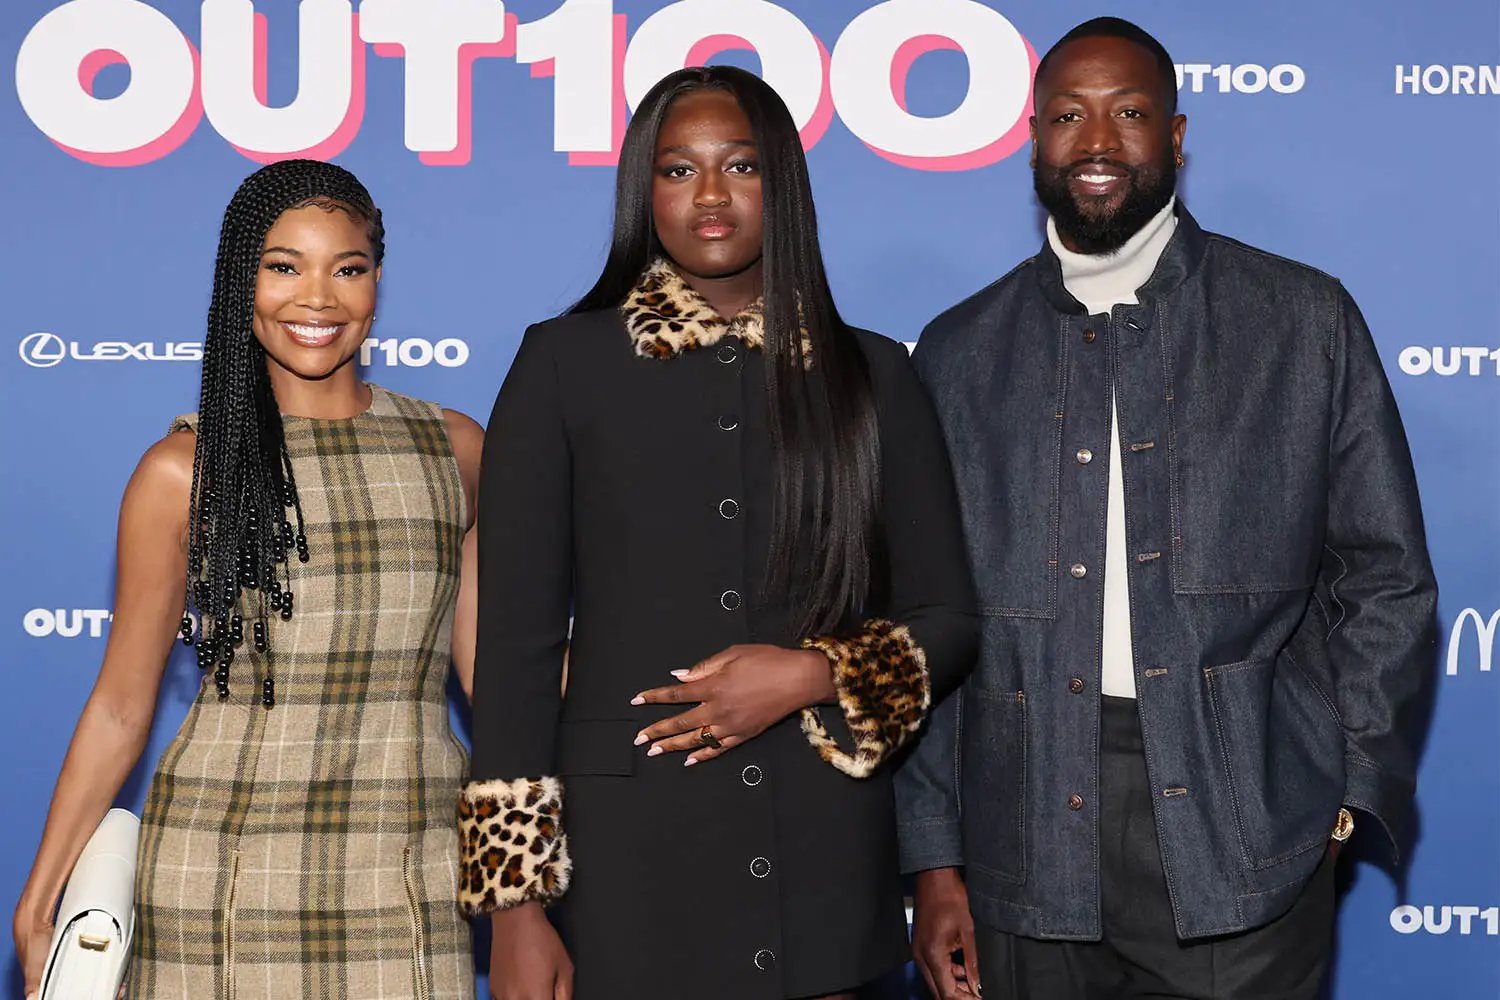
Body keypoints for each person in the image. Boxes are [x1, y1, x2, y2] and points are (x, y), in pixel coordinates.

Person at [897, 17, 1437, 1000]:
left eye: (1130, 114)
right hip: (1022, 842)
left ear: (1178, 137)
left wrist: (1342, 792)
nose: (1097, 144)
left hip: (1244, 834)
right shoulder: (958, 353)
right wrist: (934, 859)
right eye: (1068, 115)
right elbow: (927, 627)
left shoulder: (1301, 321)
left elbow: (1386, 575)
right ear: (1033, 138)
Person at [460, 66, 976, 1000]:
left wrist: (814, 672)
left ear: (780, 182)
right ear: (641, 189)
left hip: (826, 858)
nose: (708, 194)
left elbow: (949, 615)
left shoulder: (873, 376)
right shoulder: (563, 366)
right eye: (677, 169)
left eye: (740, 165)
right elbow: (517, 652)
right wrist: (516, 906)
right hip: (629, 874)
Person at [12, 160, 484, 1000]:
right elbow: (123, 702)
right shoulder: (181, 470)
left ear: (379, 279)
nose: (317, 298)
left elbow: (492, 673)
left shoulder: (454, 449)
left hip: (411, 869)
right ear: (241, 282)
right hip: (217, 872)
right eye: (282, 266)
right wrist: (41, 889)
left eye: (348, 267)